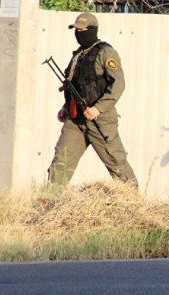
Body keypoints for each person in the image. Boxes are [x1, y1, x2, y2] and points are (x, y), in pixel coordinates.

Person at [48, 12, 138, 188]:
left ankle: (134, 203)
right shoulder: (78, 55)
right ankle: (50, 201)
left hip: (100, 119)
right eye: (76, 30)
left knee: (116, 162)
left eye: (82, 30)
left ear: (92, 30)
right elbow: (75, 84)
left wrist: (98, 108)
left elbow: (118, 84)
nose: (78, 33)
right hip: (76, 119)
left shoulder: (106, 53)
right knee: (61, 162)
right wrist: (66, 107)